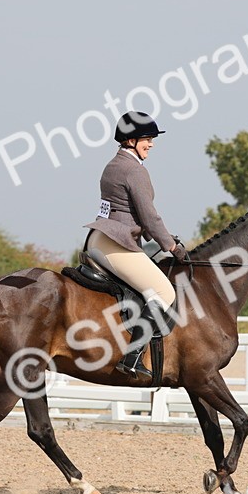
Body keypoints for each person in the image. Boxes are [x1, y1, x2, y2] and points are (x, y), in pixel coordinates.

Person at [83, 112, 190, 379]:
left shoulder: (113, 165)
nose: (151, 143)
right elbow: (149, 216)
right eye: (146, 138)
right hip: (116, 244)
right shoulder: (134, 170)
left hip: (98, 238)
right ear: (131, 140)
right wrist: (171, 246)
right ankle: (132, 358)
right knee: (164, 293)